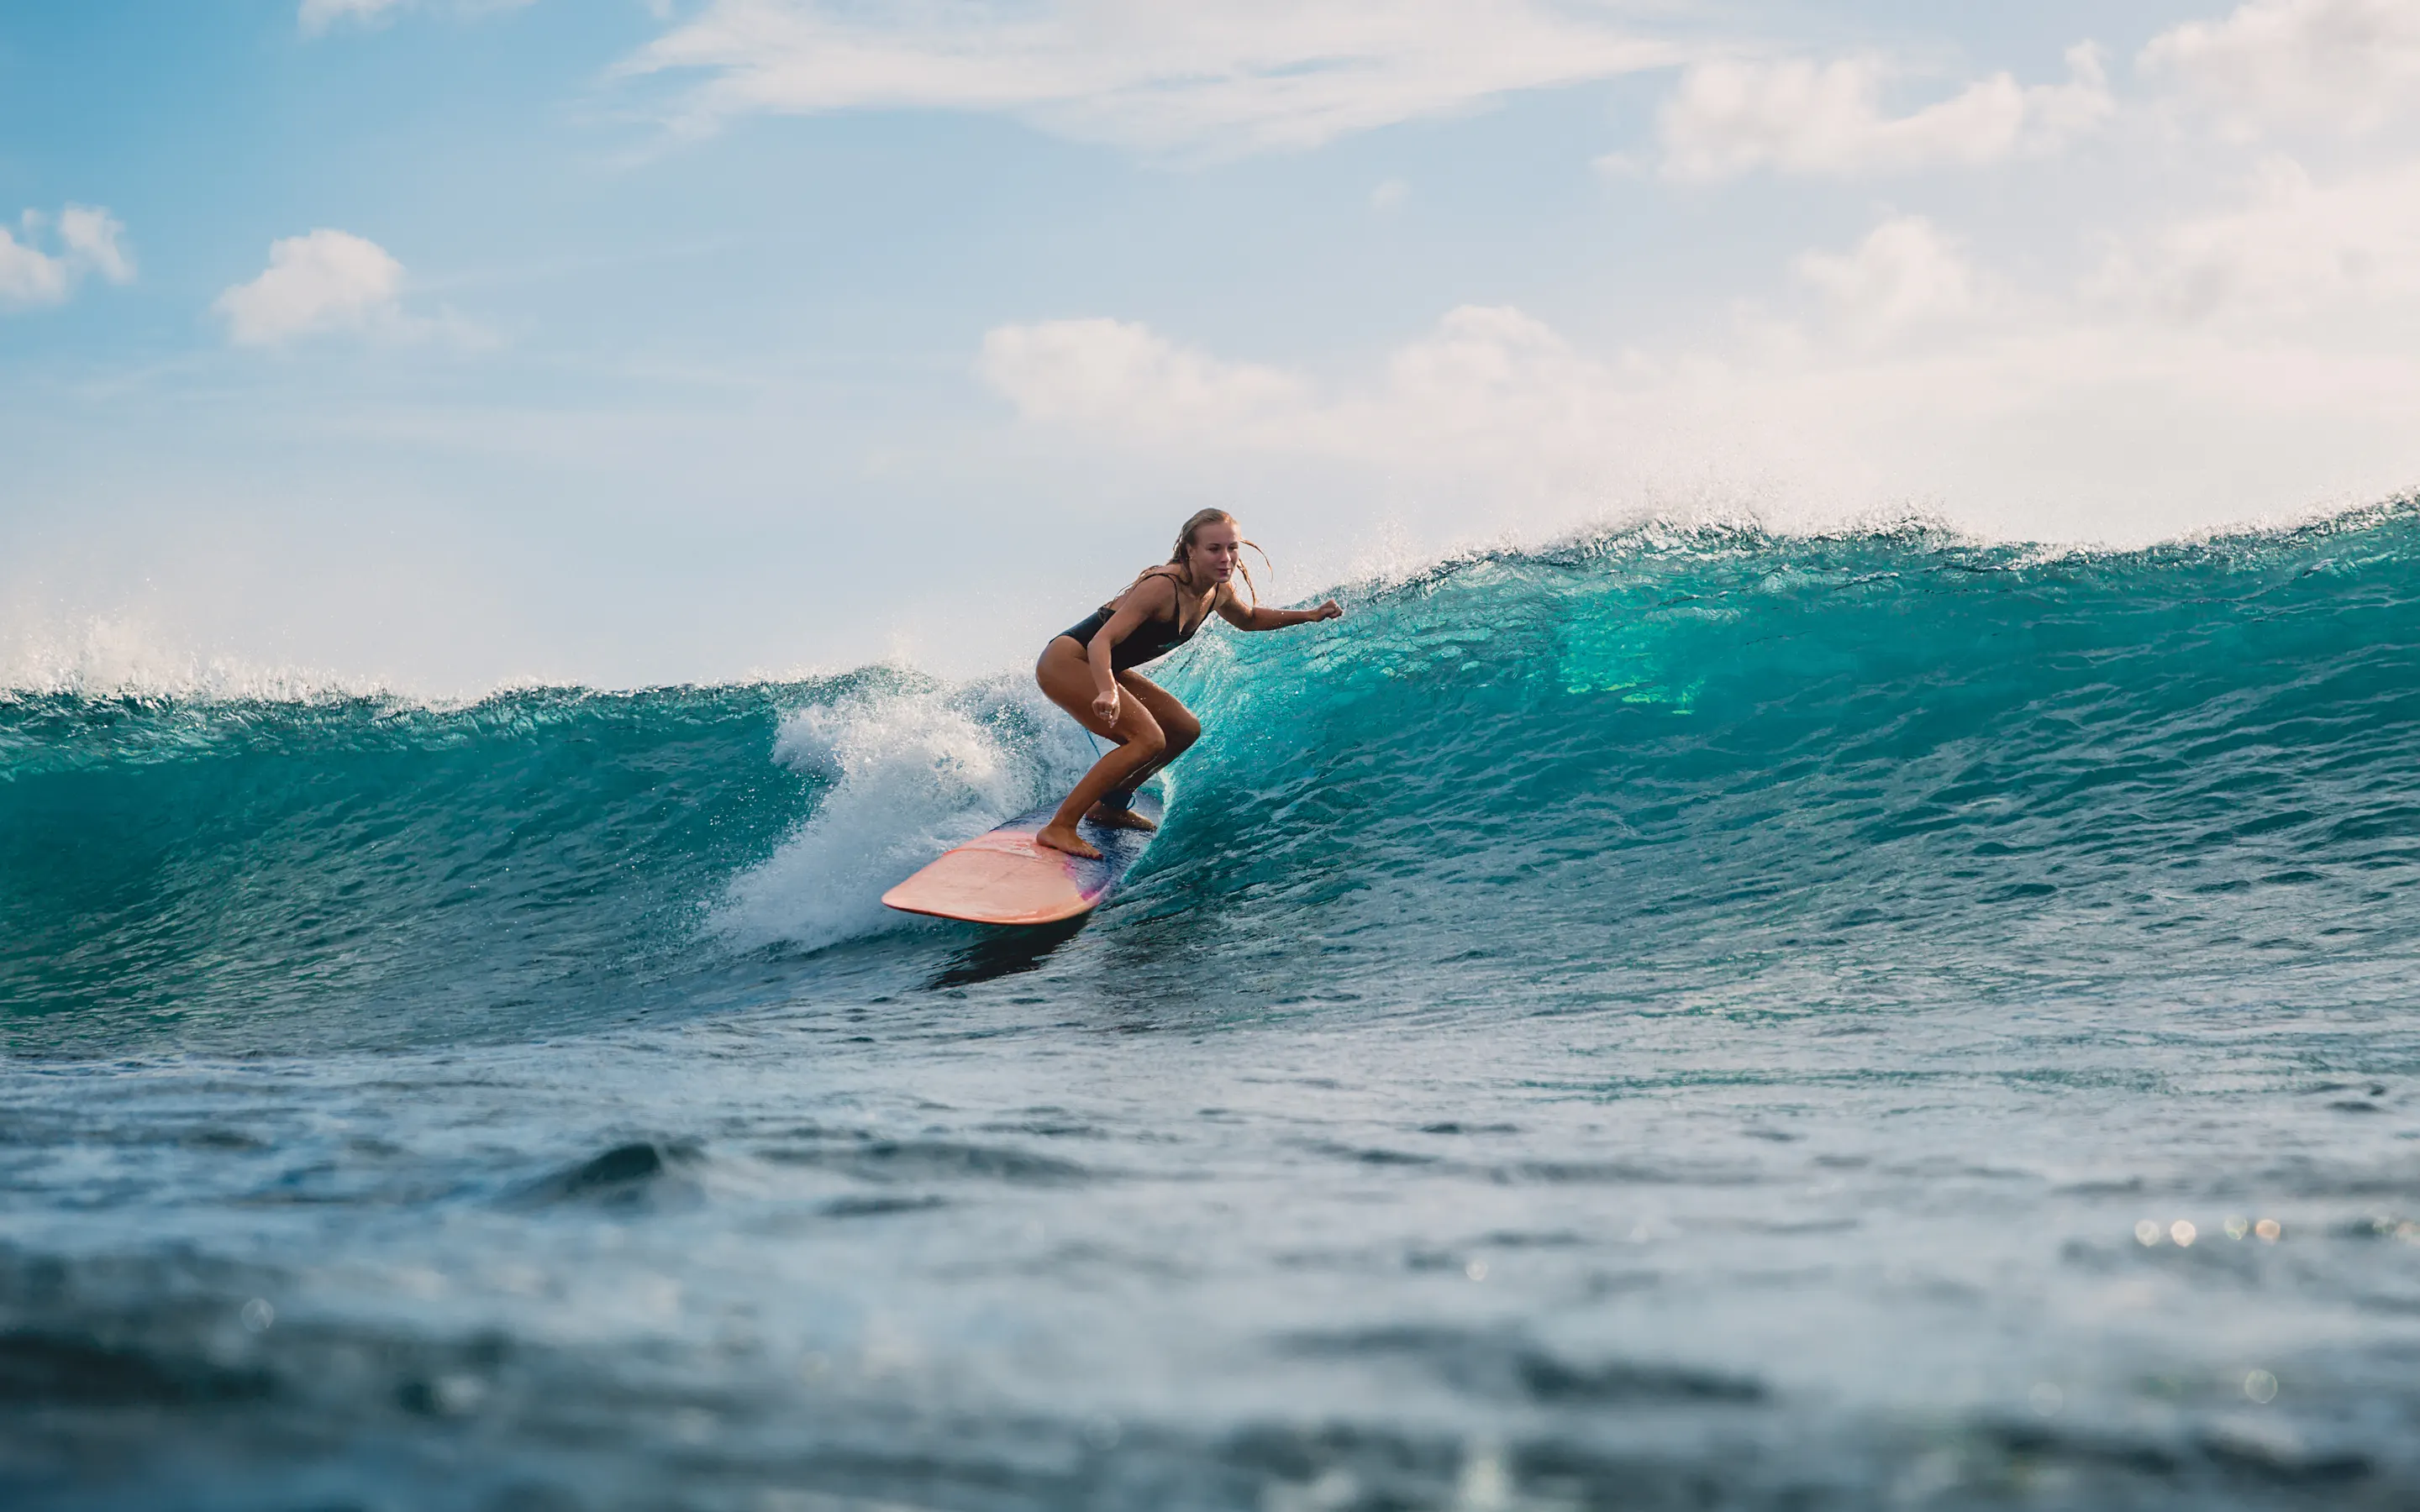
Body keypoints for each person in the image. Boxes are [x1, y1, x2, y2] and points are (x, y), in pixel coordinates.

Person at [1033, 509, 1341, 858]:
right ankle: (1060, 827)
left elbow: (1250, 619)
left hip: (1106, 666)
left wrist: (1311, 615)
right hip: (1069, 661)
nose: (1226, 558)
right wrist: (1107, 689)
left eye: (1232, 548)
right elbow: (1100, 642)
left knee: (1184, 729)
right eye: (1214, 549)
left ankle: (1111, 804)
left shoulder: (1217, 591)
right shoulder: (1162, 588)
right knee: (1147, 739)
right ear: (1190, 551)